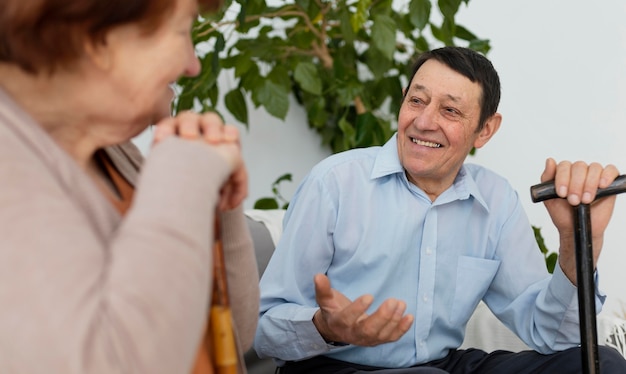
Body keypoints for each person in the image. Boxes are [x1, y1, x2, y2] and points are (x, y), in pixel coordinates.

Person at [253, 46, 626, 373]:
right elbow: (263, 329)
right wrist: (326, 327)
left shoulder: (495, 200)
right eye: (417, 101)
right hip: (331, 367)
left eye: (449, 110)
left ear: (485, 130)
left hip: (439, 366)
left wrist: (578, 241)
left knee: (603, 364)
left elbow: (553, 336)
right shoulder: (334, 183)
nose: (424, 121)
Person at [0, 0, 259, 373]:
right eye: (183, 31)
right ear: (100, 38)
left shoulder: (116, 153)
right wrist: (186, 170)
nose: (193, 64)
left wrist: (217, 196)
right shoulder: (13, 159)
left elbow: (232, 336)